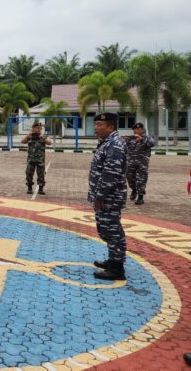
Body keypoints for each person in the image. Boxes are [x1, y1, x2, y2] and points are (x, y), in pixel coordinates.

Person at [88, 112, 128, 281]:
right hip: (106, 196)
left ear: (110, 127)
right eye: (95, 124)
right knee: (107, 230)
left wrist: (99, 196)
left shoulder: (114, 144)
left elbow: (110, 173)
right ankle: (113, 260)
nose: (96, 128)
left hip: (109, 197)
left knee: (112, 231)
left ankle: (117, 269)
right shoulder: (108, 143)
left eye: (100, 125)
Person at [124, 122, 156, 205]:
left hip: (142, 163)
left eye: (138, 129)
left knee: (140, 179)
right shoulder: (131, 139)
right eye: (135, 129)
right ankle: (134, 190)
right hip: (130, 162)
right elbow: (124, 148)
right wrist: (125, 141)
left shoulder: (147, 138)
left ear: (142, 130)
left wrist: (142, 139)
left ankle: (140, 197)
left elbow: (152, 143)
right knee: (129, 177)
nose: (136, 130)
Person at [22, 122, 51, 195]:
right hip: (31, 159)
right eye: (37, 128)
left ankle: (41, 189)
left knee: (41, 174)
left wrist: (43, 138)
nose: (39, 129)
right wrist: (27, 137)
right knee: (29, 173)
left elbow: (49, 143)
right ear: (33, 128)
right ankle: (29, 188)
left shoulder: (43, 136)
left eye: (40, 128)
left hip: (40, 159)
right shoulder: (30, 136)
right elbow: (22, 142)